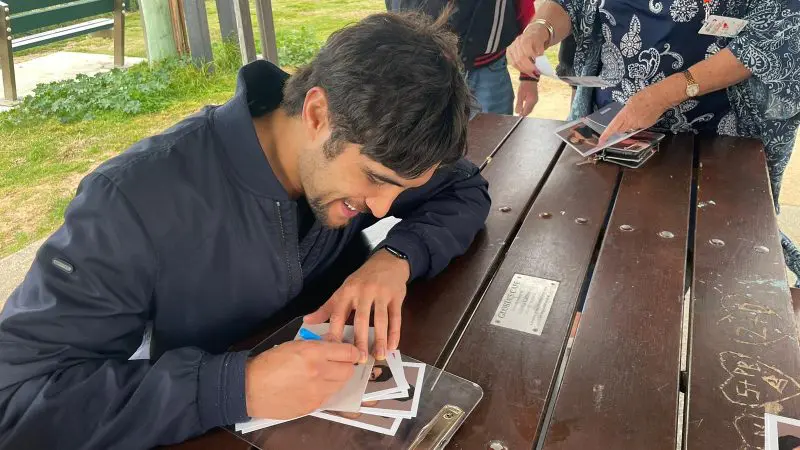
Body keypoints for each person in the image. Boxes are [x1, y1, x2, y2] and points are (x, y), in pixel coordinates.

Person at [0, 11, 490, 450]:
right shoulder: (131, 201)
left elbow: (467, 190)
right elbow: (18, 401)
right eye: (375, 180)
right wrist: (236, 388)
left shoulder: (373, 145)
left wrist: (394, 260)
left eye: (401, 189)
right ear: (318, 114)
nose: (384, 208)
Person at [507, 0, 800, 279]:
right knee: (594, 244)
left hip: (710, 138)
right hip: (613, 125)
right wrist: (541, 27)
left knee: (690, 267)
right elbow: (571, 4)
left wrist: (662, 95)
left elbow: (771, 40)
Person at [386, 0, 539, 116]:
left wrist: (529, 75)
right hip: (421, 68)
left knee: (493, 148)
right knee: (421, 146)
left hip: (489, 72)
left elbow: (529, 11)